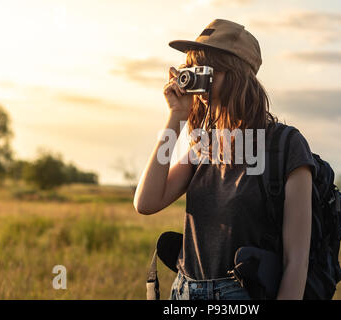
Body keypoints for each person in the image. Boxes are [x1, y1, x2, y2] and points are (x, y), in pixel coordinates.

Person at [134, 19, 316, 300]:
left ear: (236, 74)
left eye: (207, 71)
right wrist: (176, 117)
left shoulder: (286, 145)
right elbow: (145, 202)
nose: (198, 81)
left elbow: (296, 262)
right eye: (191, 70)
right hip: (184, 292)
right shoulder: (204, 145)